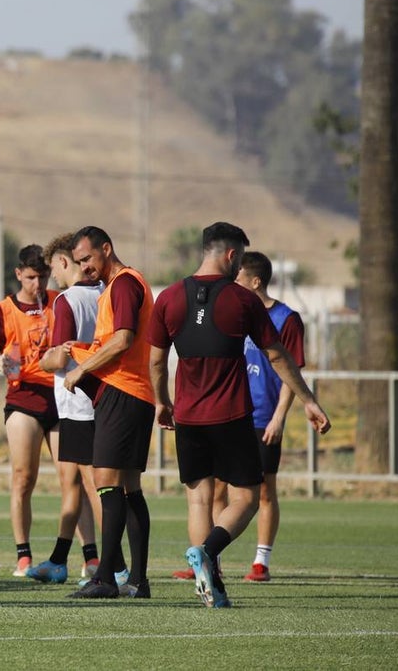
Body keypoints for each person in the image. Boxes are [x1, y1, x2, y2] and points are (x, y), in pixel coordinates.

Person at [148, 223, 330, 608]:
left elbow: (156, 361)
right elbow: (277, 356)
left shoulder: (169, 297)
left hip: (188, 416)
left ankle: (209, 582)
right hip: (231, 415)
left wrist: (162, 402)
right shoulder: (243, 300)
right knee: (246, 498)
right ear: (232, 256)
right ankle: (208, 553)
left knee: (199, 500)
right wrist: (309, 400)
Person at [63, 226, 154, 600]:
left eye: (88, 258)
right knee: (129, 487)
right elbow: (111, 341)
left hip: (123, 393)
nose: (85, 268)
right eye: (79, 262)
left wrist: (81, 367)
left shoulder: (124, 284)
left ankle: (105, 578)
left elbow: (123, 339)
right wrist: (79, 350)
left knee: (106, 481)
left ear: (106, 248)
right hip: (132, 393)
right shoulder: (117, 288)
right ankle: (138, 580)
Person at [0, 245, 67, 578]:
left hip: (61, 398)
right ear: (18, 274)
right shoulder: (2, 310)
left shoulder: (59, 301)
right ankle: (24, 556)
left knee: (71, 479)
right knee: (23, 477)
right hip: (24, 400)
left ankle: (87, 556)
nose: (37, 283)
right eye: (31, 277)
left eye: (42, 276)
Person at [34, 233, 110, 586]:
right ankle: (60, 559)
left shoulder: (68, 300)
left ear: (64, 262)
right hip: (102, 399)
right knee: (75, 482)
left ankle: (112, 566)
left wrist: (45, 358)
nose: (52, 277)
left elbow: (60, 355)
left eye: (52, 268)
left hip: (78, 402)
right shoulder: (106, 293)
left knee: (94, 486)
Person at [233, 251, 306, 582]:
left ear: (255, 281)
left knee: (264, 490)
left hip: (265, 417)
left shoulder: (286, 319)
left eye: (239, 278)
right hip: (233, 414)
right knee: (221, 489)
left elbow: (293, 372)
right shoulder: (236, 314)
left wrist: (279, 416)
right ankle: (209, 559)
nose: (234, 284)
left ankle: (261, 561)